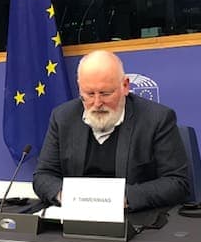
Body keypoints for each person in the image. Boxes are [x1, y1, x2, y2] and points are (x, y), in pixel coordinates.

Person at [33, 50, 190, 212]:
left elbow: (177, 182)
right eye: (89, 94)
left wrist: (120, 199)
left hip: (134, 216)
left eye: (105, 94)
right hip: (75, 214)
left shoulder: (157, 119)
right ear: (79, 88)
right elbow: (43, 175)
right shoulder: (63, 117)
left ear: (125, 86)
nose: (97, 103)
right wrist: (66, 196)